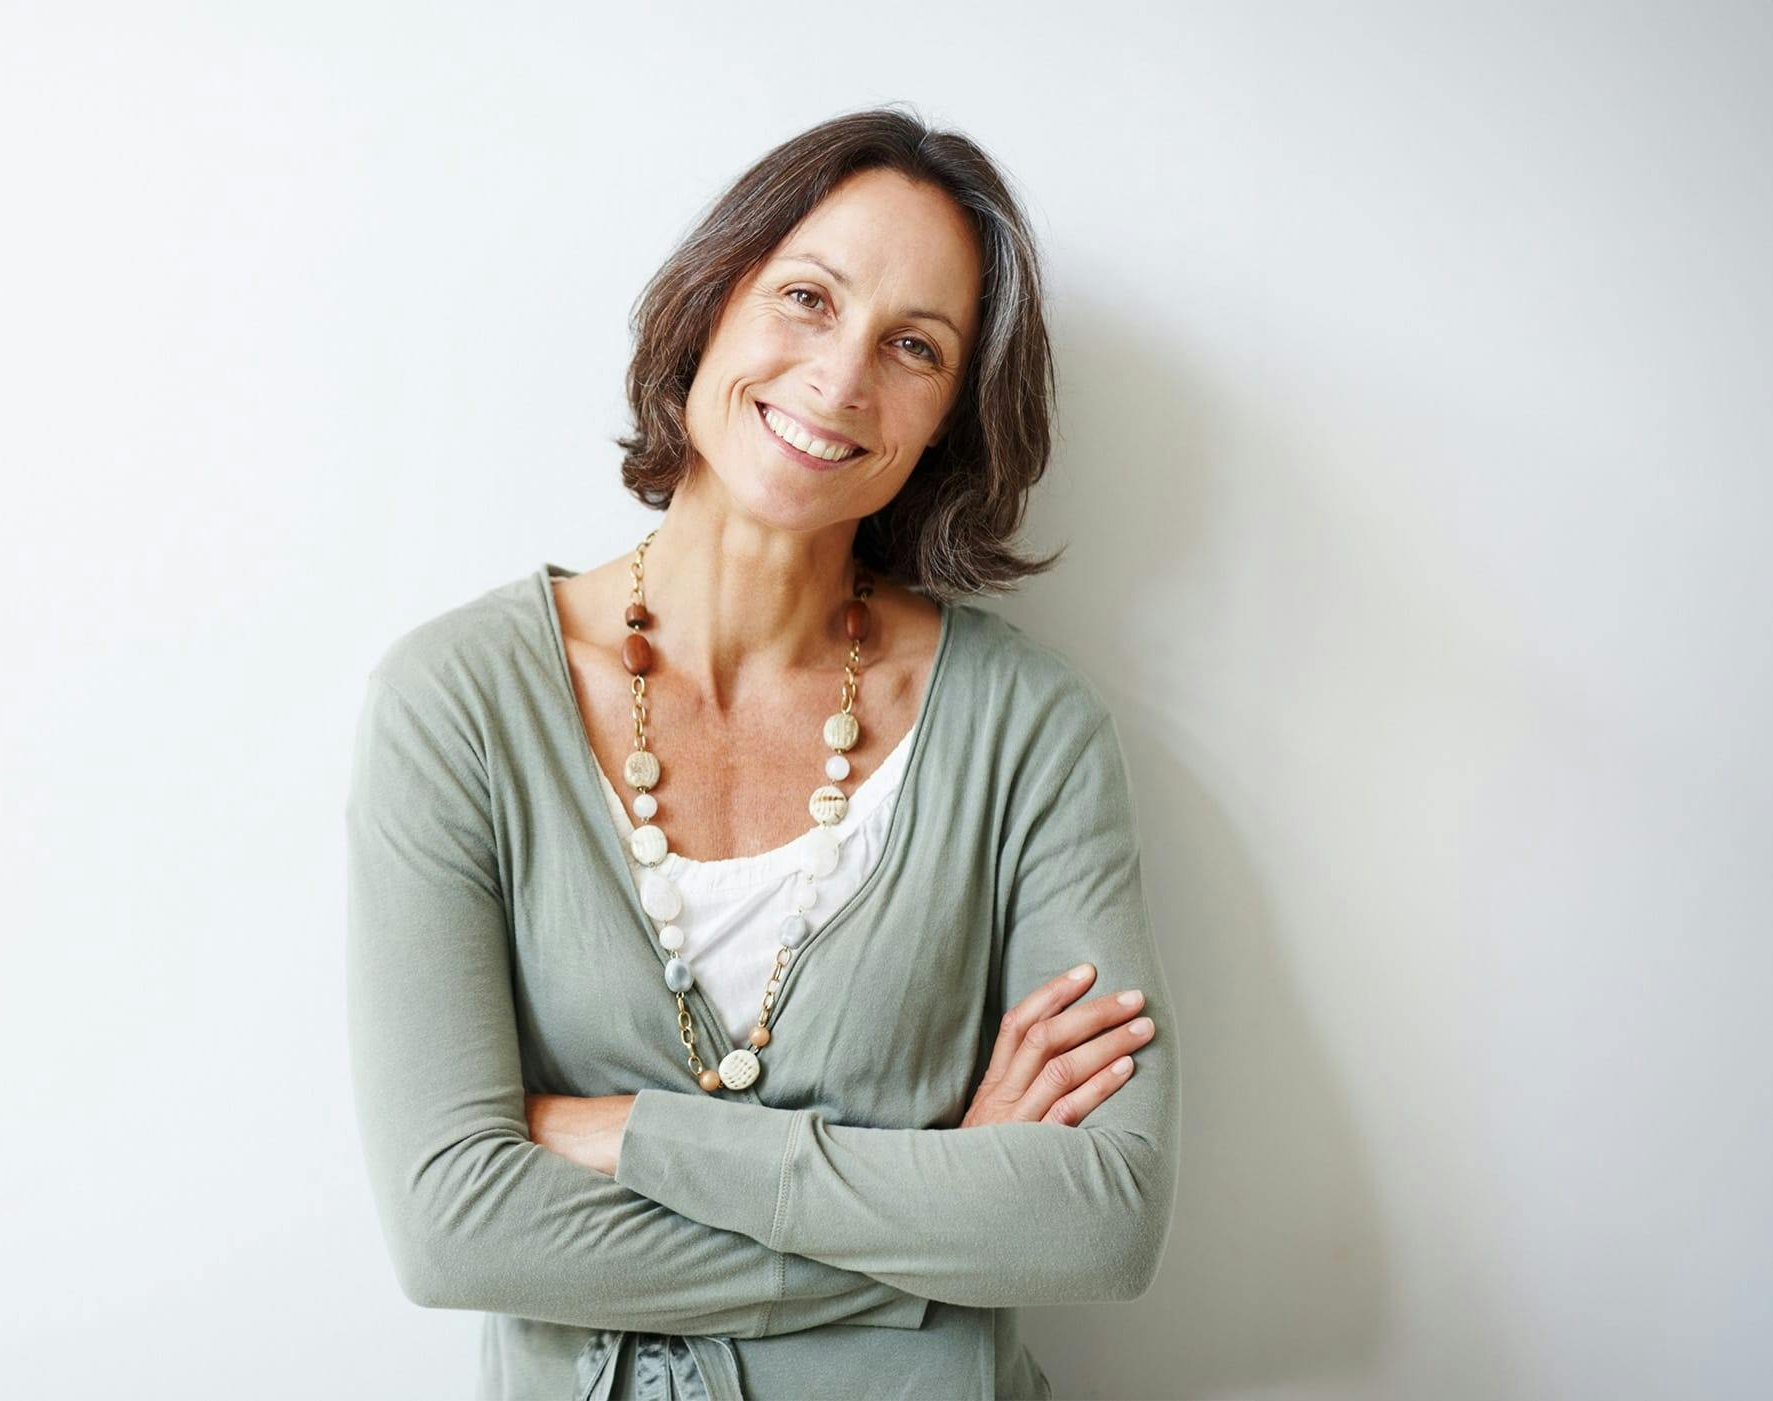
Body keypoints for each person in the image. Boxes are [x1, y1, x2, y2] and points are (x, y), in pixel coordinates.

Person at [346, 104, 1180, 1400]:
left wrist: (624, 1135)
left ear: (950, 417)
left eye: (914, 345)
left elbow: (1096, 1215)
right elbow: (453, 1223)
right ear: (711, 302)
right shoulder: (459, 702)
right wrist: (939, 1222)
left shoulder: (1028, 734)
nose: (841, 377)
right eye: (806, 296)